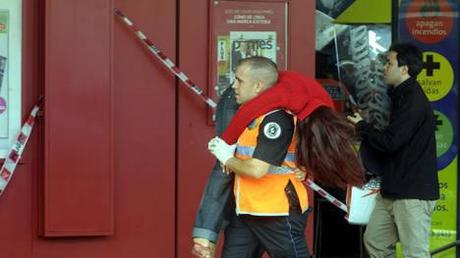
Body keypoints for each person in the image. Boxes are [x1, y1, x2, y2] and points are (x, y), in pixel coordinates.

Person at [208, 56, 364, 257]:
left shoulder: (276, 119)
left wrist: (226, 154)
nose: (233, 86)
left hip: (276, 213)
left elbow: (257, 170)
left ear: (258, 86)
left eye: (239, 80)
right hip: (248, 211)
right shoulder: (255, 114)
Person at [347, 42, 439, 258]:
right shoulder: (398, 96)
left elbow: (391, 142)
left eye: (389, 63)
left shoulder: (413, 100)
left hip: (412, 193)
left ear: (404, 68)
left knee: (414, 253)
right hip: (391, 189)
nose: (384, 68)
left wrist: (362, 126)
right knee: (375, 242)